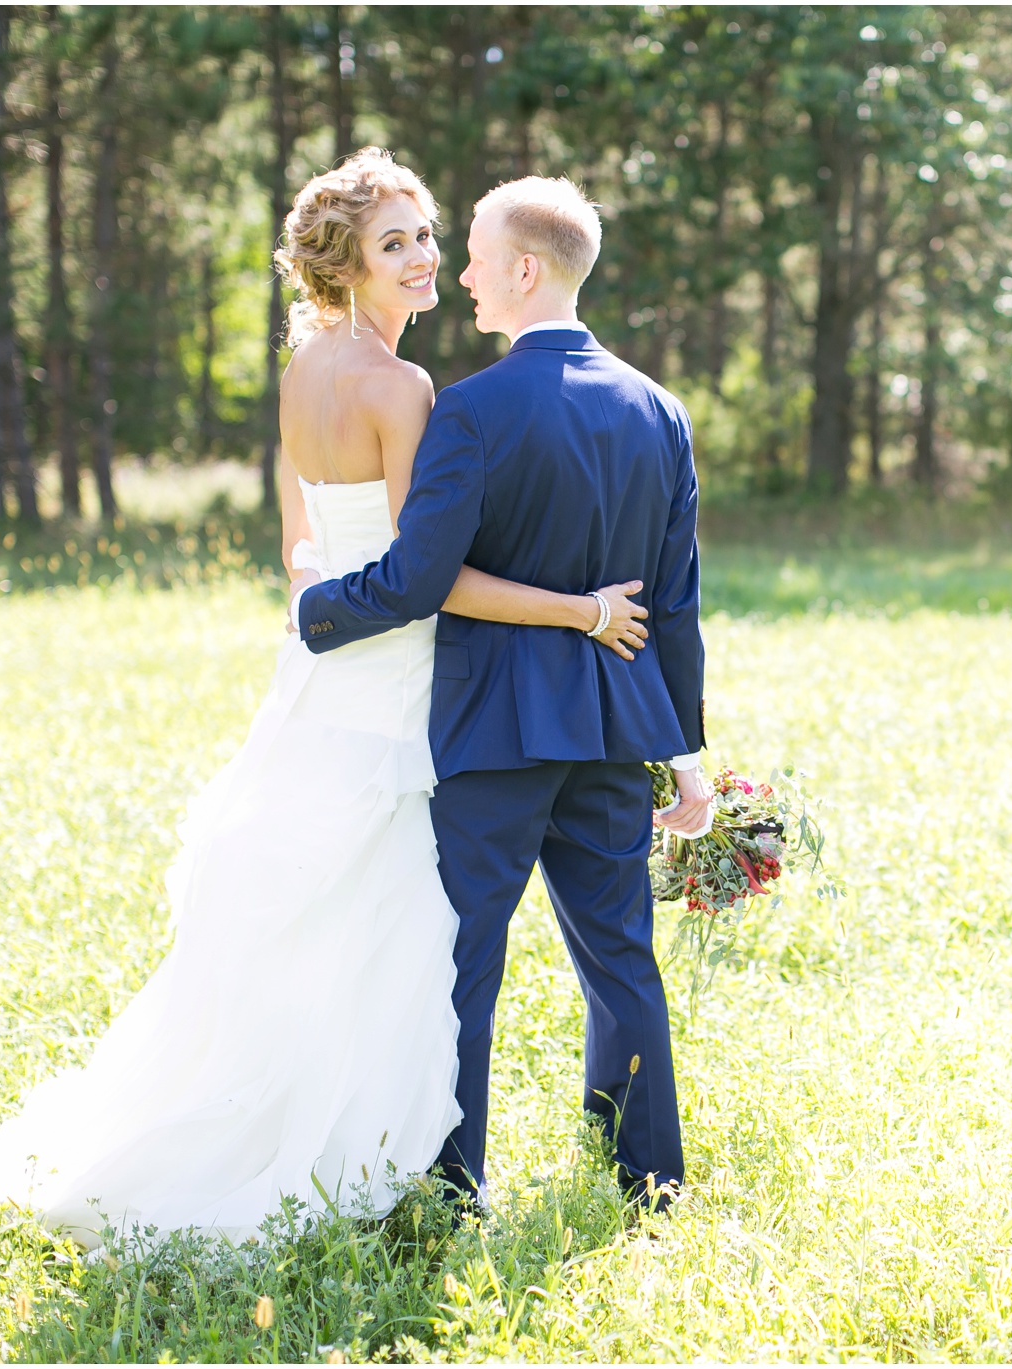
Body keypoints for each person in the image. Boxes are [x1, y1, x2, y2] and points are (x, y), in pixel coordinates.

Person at [0, 149, 650, 1250]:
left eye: (430, 233)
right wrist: (580, 610)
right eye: (398, 243)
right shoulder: (402, 386)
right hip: (394, 681)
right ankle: (373, 1167)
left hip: (322, 675)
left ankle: (299, 1132)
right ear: (343, 268)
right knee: (391, 926)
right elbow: (435, 576)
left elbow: (303, 546)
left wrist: (311, 598)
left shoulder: (302, 376)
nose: (427, 255)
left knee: (309, 916)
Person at [289, 173, 714, 1215]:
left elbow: (417, 578)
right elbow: (678, 603)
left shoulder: (469, 409)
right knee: (620, 960)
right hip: (614, 732)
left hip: (489, 736)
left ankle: (450, 1188)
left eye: (473, 254)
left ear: (525, 268)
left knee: (461, 968)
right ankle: (646, 1180)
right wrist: (688, 755)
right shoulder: (659, 411)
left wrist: (316, 610)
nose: (462, 272)